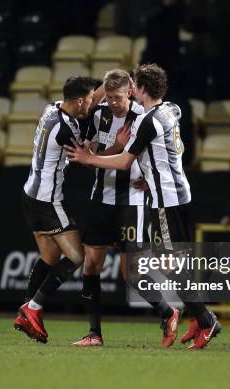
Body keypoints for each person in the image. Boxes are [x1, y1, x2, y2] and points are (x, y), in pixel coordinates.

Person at [66, 64, 221, 349]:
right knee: (172, 264)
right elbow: (178, 148)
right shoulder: (171, 109)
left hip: (165, 199)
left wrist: (90, 160)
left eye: (135, 85)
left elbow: (125, 161)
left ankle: (207, 320)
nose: (132, 88)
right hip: (176, 193)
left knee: (169, 265)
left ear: (141, 89)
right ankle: (201, 318)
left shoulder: (146, 121)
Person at [72, 69, 181, 348]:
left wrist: (154, 174)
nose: (113, 102)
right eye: (108, 97)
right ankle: (94, 333)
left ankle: (168, 313)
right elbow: (87, 157)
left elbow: (171, 149)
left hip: (132, 201)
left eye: (118, 97)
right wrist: (111, 149)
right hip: (101, 197)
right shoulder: (99, 116)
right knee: (91, 264)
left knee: (131, 273)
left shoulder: (143, 116)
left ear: (130, 92)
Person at [14, 76, 96, 344]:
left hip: (30, 193)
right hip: (48, 201)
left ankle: (25, 311)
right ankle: (33, 308)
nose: (94, 103)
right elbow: (87, 160)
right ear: (81, 100)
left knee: (49, 258)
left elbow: (84, 103)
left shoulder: (52, 109)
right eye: (92, 99)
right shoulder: (65, 131)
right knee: (76, 256)